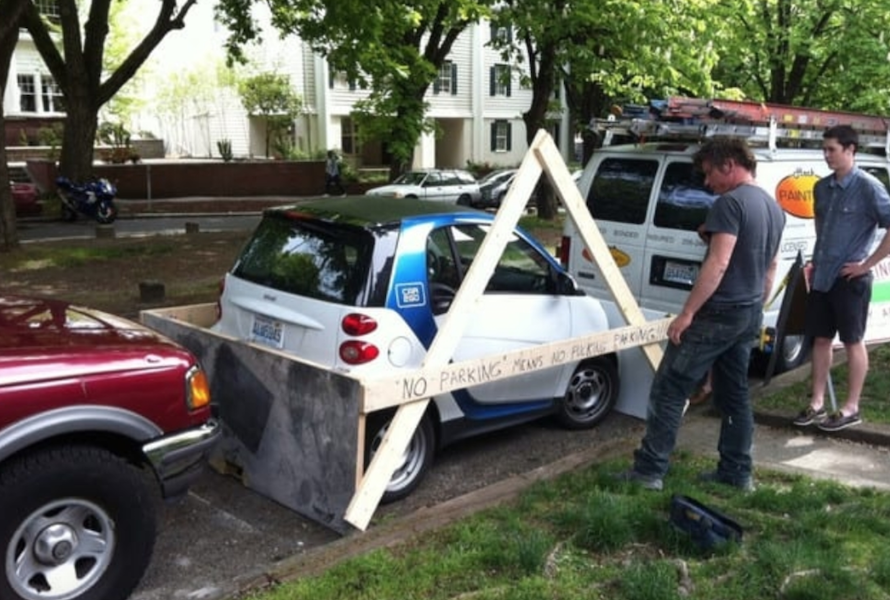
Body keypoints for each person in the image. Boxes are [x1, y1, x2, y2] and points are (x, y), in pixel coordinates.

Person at [618, 137, 785, 491]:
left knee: (669, 387)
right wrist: (757, 303)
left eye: (709, 173)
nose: (707, 183)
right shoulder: (772, 206)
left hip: (718, 313)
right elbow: (770, 265)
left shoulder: (731, 203)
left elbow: (719, 262)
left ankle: (648, 471)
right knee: (733, 394)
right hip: (748, 311)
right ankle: (737, 473)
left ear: (729, 164)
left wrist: (688, 313)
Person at [792, 125, 890, 432]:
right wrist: (818, 257)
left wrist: (866, 264)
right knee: (820, 339)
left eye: (832, 149)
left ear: (850, 150)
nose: (826, 155)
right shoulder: (822, 187)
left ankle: (851, 407)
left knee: (852, 340)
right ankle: (817, 402)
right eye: (824, 149)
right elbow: (821, 221)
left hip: (850, 279)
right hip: (822, 275)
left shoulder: (869, 187)